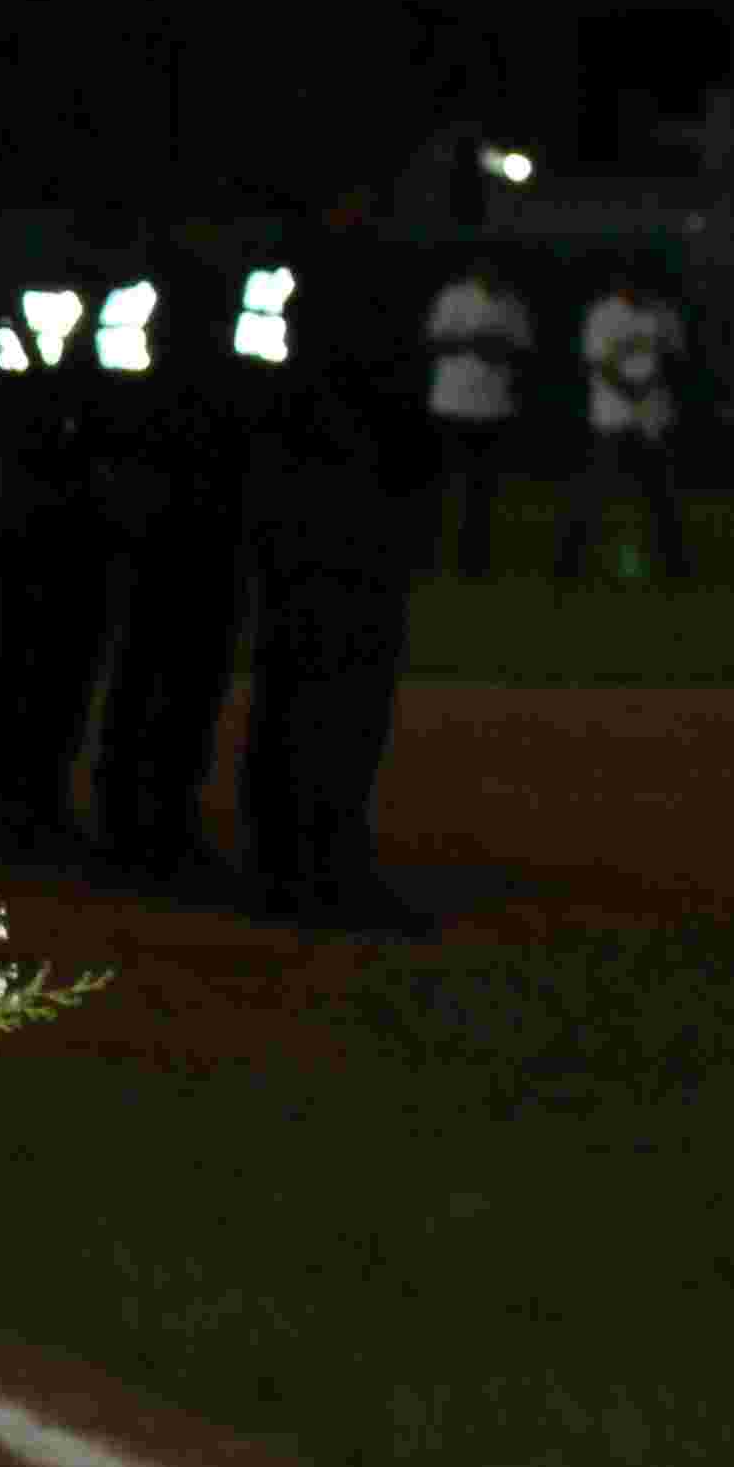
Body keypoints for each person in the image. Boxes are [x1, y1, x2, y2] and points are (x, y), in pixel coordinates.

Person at [239, 197, 437, 932]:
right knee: (339, 705)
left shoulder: (280, 293)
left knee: (288, 693)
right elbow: (395, 420)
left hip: (292, 522)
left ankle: (277, 863)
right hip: (350, 528)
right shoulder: (362, 300)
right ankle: (323, 867)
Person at [92, 228, 259, 882]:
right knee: (180, 689)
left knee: (140, 681)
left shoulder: (151, 380)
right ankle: (158, 824)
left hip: (156, 549)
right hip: (198, 553)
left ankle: (127, 819)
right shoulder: (220, 385)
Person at [0, 230, 130, 861]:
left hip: (66, 530)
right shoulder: (48, 337)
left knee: (53, 672)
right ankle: (17, 805)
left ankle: (33, 802)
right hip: (40, 527)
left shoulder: (95, 348)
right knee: (32, 668)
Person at [558, 260, 691, 584]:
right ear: (618, 284)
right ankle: (569, 561)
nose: (632, 289)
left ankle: (673, 564)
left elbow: (676, 357)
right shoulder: (602, 313)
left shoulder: (663, 313)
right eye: (626, 283)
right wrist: (631, 389)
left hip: (654, 415)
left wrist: (653, 384)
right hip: (611, 415)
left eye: (638, 283)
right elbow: (596, 363)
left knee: (659, 494)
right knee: (595, 491)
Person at [421, 251, 534, 582]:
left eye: (495, 269)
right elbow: (433, 341)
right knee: (447, 487)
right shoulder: (453, 297)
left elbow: (524, 351)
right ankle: (435, 557)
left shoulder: (512, 305)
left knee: (482, 490)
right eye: (483, 269)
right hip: (451, 405)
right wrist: (470, 342)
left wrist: (497, 348)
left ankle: (473, 561)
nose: (488, 275)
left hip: (494, 407)